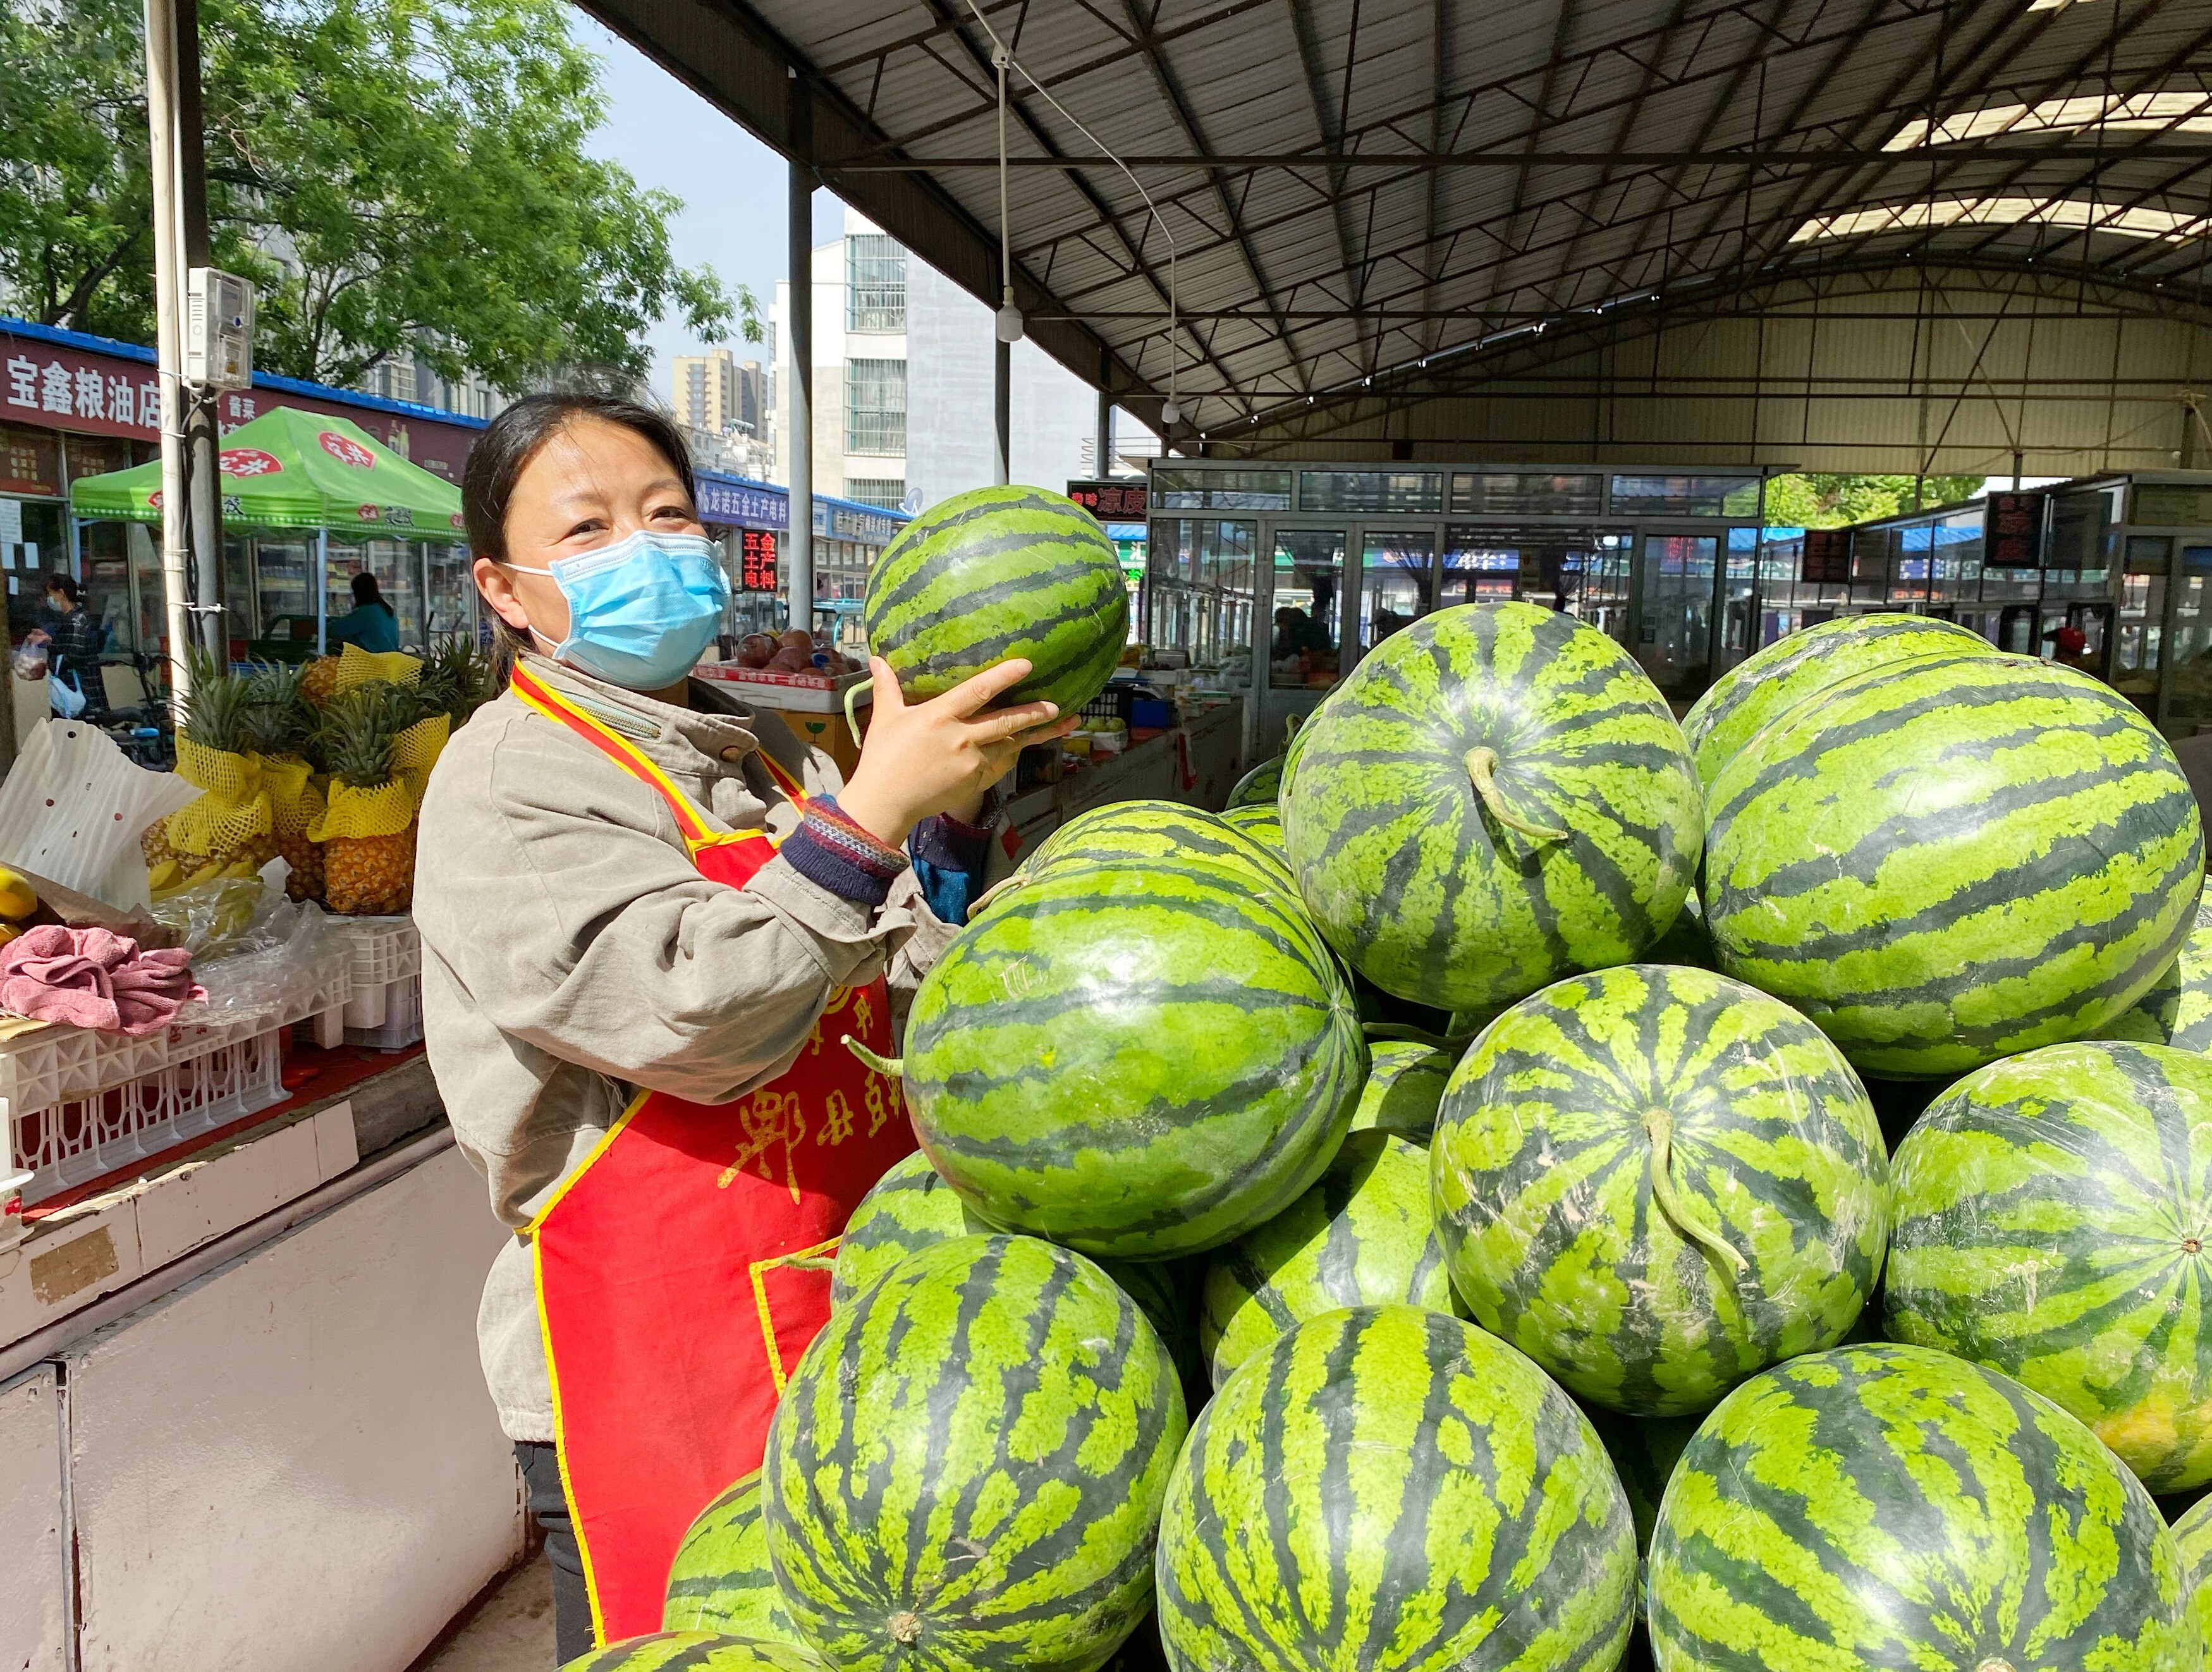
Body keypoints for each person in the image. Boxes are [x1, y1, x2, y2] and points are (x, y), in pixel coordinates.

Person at [413, 392, 1071, 1663]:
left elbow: (889, 976)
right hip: (648, 1362)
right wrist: (870, 809)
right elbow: (697, 1015)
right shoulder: (508, 776)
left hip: (843, 1312)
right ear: (503, 585)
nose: (645, 546)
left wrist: (955, 826)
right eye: (590, 528)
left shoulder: (765, 747)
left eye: (668, 515)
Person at [25, 573, 107, 723]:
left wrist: (45, 664)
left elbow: (71, 657)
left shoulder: (76, 621)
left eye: (51, 594)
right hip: (76, 694)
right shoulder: (72, 619)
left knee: (74, 738)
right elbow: (70, 647)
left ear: (61, 593)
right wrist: (49, 639)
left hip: (79, 694)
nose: (49, 599)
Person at [326, 570, 401, 652]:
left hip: (374, 662)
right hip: (392, 660)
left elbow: (335, 630)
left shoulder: (365, 613)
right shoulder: (385, 609)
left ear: (358, 593)